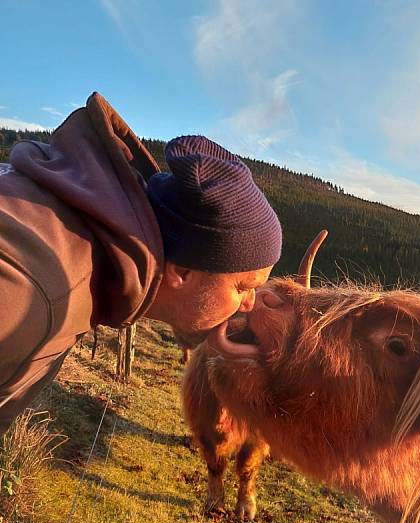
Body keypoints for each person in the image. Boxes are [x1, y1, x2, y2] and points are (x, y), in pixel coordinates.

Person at [0, 92, 282, 435]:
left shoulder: (80, 254)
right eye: (242, 287)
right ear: (182, 272)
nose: (250, 303)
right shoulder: (29, 294)